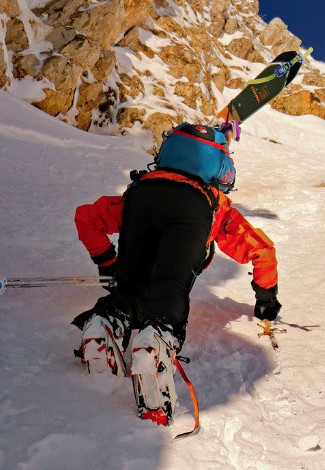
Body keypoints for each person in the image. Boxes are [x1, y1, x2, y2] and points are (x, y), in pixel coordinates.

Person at [70, 120, 280, 425]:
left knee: (132, 287)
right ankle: (154, 344)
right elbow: (261, 250)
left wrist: (108, 265)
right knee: (171, 283)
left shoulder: (141, 187)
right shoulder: (217, 206)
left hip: (143, 201)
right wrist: (266, 299)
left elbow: (86, 218)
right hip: (193, 209)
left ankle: (104, 323)